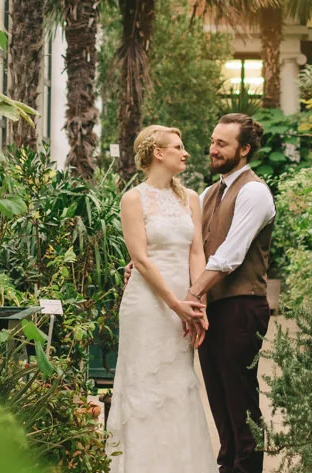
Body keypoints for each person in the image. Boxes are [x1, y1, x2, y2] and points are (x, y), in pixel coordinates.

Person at [107, 125, 218, 473]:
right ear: (158, 153)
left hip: (183, 304)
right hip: (147, 306)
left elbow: (197, 251)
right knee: (143, 383)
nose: (185, 153)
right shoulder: (133, 199)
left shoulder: (192, 199)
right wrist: (175, 304)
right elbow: (139, 259)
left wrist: (196, 302)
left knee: (178, 383)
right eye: (178, 147)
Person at [187, 113, 276, 473]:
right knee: (220, 401)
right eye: (212, 141)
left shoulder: (254, 191)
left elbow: (229, 255)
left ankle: (248, 469)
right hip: (213, 308)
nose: (213, 149)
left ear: (244, 149)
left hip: (242, 307)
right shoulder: (210, 193)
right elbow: (193, 250)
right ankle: (228, 468)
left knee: (240, 401)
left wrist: (192, 294)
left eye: (221, 144)